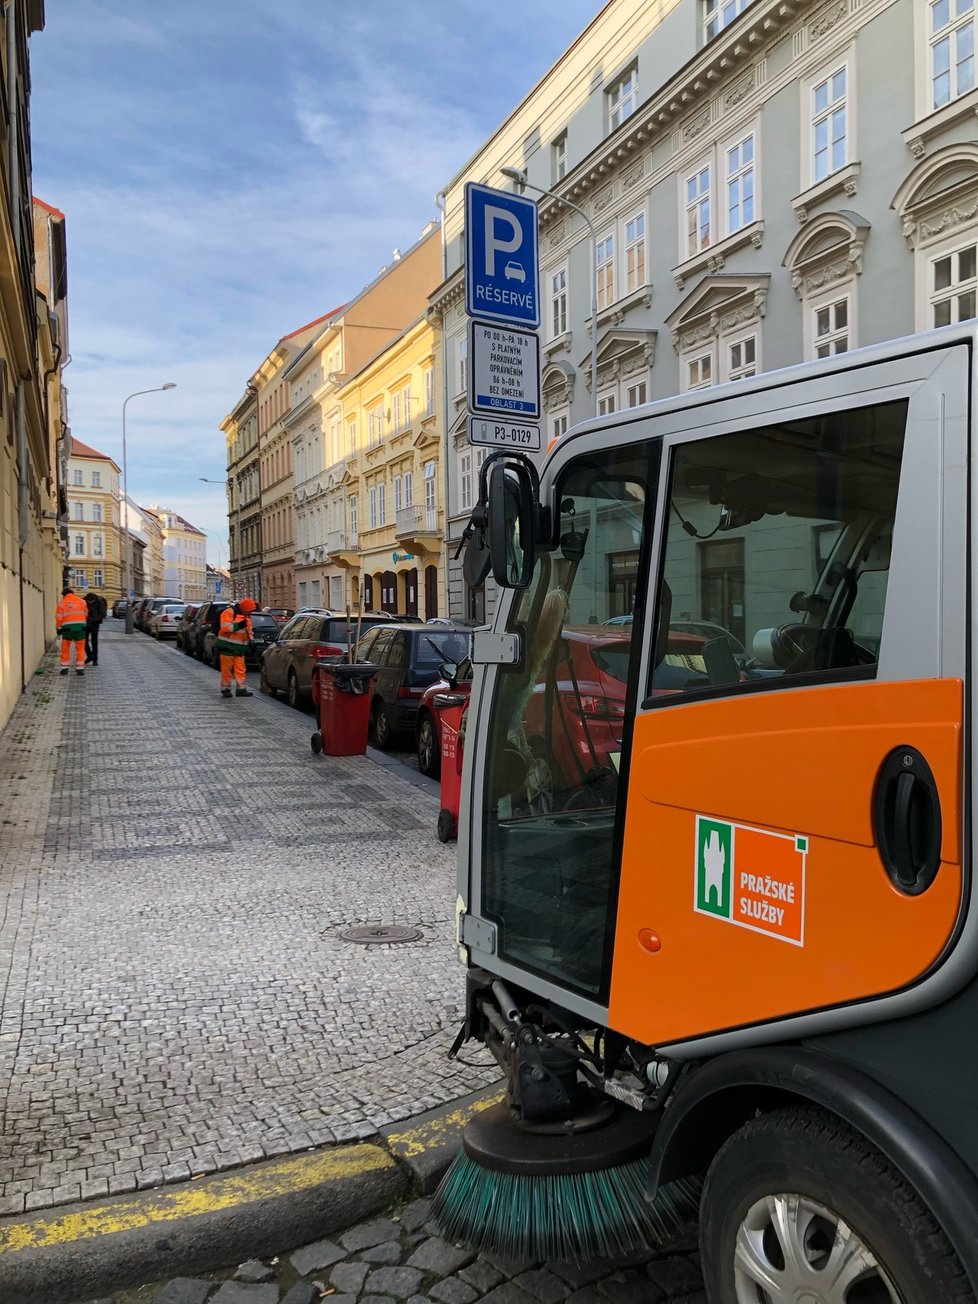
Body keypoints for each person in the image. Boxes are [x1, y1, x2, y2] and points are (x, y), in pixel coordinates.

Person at [217, 598, 256, 698]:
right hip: (227, 646)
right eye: (250, 610)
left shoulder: (246, 616)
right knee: (227, 670)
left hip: (240, 648)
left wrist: (252, 641)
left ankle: (241, 689)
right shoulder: (229, 612)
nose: (251, 612)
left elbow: (249, 630)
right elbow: (225, 628)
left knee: (240, 669)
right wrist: (238, 625)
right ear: (244, 608)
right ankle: (226, 689)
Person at [55, 586, 89, 676]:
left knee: (65, 648)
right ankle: (80, 669)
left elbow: (59, 618)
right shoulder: (82, 601)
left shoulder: (62, 603)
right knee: (80, 648)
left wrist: (58, 629)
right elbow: (86, 614)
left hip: (67, 629)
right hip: (81, 628)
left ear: (64, 595)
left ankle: (64, 668)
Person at [84, 589, 107, 665]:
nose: (90, 603)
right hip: (85, 623)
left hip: (95, 624)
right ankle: (90, 656)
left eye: (91, 602)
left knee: (94, 641)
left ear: (94, 600)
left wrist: (94, 619)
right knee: (84, 641)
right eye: (88, 602)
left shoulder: (99, 601)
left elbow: (102, 614)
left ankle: (95, 659)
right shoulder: (83, 601)